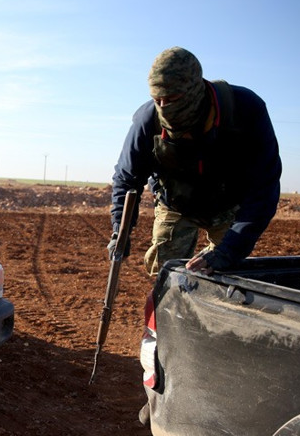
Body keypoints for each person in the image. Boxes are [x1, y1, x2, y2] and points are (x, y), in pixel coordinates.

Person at [110, 46, 281, 276]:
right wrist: (119, 231)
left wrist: (228, 251)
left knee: (227, 273)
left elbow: (264, 187)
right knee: (166, 273)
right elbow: (126, 178)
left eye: (172, 99)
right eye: (157, 99)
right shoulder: (147, 120)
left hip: (228, 204)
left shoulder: (245, 110)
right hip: (176, 203)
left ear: (194, 90)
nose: (163, 107)